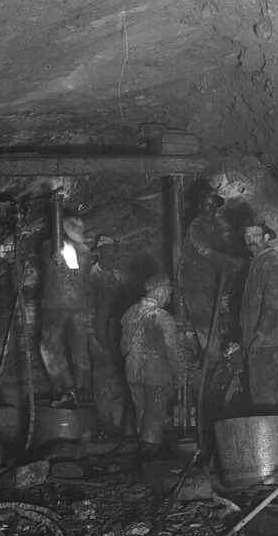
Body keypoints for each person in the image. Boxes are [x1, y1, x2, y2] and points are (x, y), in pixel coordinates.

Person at [120, 273, 184, 461]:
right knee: (155, 412)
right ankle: (150, 457)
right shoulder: (162, 317)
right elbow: (171, 348)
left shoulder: (129, 313)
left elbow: (123, 345)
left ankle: (142, 448)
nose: (169, 296)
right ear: (158, 291)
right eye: (168, 292)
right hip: (154, 370)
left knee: (141, 410)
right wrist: (179, 371)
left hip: (131, 368)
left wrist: (132, 360)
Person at [176, 183, 244, 350]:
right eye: (207, 204)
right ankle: (212, 357)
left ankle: (217, 356)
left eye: (214, 204)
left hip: (209, 279)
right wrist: (230, 261)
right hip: (194, 282)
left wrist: (230, 256)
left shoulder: (215, 225)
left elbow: (219, 247)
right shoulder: (196, 226)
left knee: (217, 318)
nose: (211, 207)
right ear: (200, 205)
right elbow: (204, 252)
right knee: (206, 322)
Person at [40, 215, 94, 408]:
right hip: (79, 306)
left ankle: (67, 391)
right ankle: (83, 393)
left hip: (55, 305)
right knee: (80, 351)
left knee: (50, 348)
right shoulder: (85, 251)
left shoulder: (49, 245)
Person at [240, 218, 278, 412]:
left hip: (269, 340)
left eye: (255, 235)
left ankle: (272, 439)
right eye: (247, 236)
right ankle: (276, 437)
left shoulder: (271, 263)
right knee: (264, 389)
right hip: (262, 339)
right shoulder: (257, 261)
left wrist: (261, 335)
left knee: (263, 392)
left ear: (266, 237)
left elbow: (274, 302)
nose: (250, 240)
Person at [88, 235, 131, 435]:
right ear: (100, 252)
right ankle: (104, 422)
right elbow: (87, 310)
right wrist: (92, 338)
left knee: (123, 375)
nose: (112, 255)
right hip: (99, 332)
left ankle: (124, 423)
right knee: (101, 377)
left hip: (116, 331)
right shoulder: (92, 276)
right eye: (108, 251)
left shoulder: (116, 275)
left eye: (114, 252)